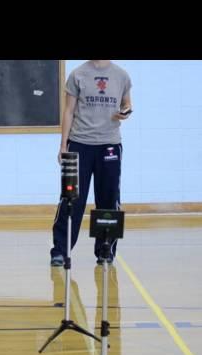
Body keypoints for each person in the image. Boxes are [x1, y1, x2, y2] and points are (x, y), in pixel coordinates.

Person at [50, 60, 132, 267]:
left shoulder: (121, 75)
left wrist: (126, 112)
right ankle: (60, 250)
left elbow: (127, 104)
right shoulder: (77, 74)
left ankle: (106, 250)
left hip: (109, 145)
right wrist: (63, 145)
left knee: (109, 199)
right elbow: (68, 111)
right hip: (80, 144)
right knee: (71, 199)